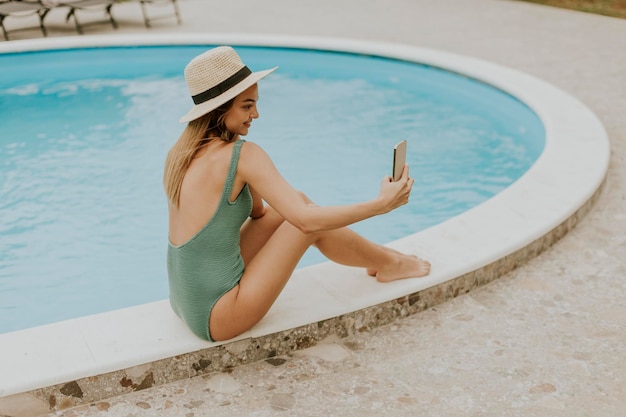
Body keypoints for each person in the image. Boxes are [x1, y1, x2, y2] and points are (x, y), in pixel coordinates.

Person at [163, 46, 430, 342]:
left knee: (298, 200)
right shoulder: (243, 155)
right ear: (220, 108)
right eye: (247, 106)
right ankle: (390, 264)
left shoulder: (180, 154)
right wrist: (380, 205)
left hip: (186, 301)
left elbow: (260, 213)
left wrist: (253, 180)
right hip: (218, 315)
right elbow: (304, 222)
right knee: (305, 224)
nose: (256, 114)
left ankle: (377, 258)